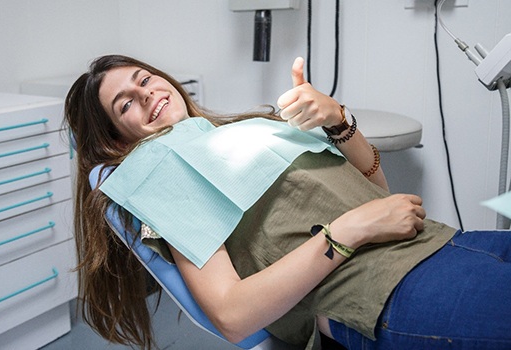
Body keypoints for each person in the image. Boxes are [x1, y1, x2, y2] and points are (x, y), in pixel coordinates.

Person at [63, 54, 511, 350]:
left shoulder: (242, 129)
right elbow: (232, 315)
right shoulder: (163, 173)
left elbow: (376, 195)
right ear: (117, 141)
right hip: (382, 292)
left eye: (145, 79)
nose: (147, 94)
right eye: (126, 105)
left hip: (438, 244)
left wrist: (338, 119)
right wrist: (348, 232)